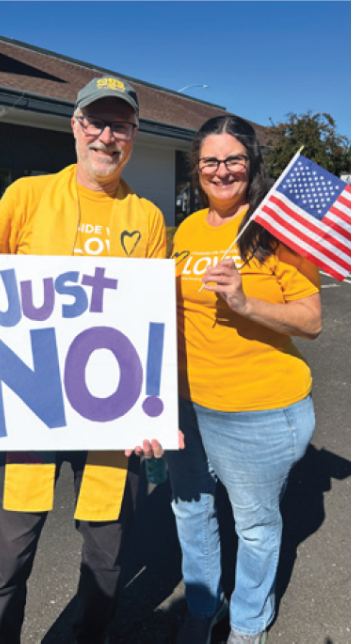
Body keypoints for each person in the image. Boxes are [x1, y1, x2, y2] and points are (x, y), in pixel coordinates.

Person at [0, 75, 168, 644]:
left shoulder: (146, 219)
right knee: (6, 561)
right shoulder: (28, 195)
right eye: (95, 122)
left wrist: (155, 410)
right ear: (75, 127)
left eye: (118, 124)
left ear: (134, 134)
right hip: (30, 401)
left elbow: (153, 319)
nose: (105, 135)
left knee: (106, 558)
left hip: (111, 414)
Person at [165, 115, 322, 644]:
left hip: (256, 408)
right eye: (211, 160)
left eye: (234, 159)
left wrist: (244, 301)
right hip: (187, 403)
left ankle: (249, 622)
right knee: (191, 511)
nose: (222, 170)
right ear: (197, 168)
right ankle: (203, 606)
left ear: (251, 165)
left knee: (254, 527)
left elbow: (312, 320)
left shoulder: (274, 230)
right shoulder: (185, 229)